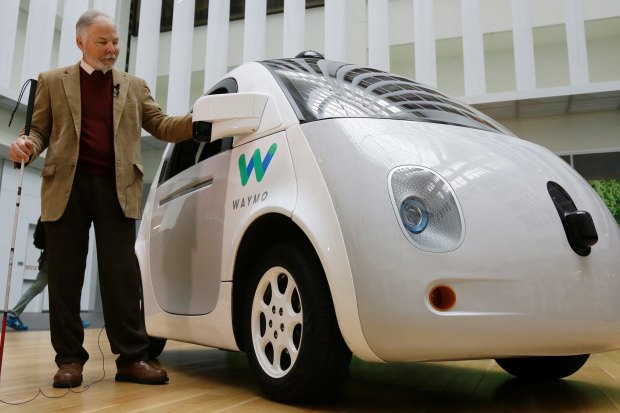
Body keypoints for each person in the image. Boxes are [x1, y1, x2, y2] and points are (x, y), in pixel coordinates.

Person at [8, 10, 193, 388]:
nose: (112, 49)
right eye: (102, 42)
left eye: (115, 42)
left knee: (121, 278)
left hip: (117, 188)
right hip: (67, 188)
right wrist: (26, 144)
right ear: (81, 42)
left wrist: (198, 120)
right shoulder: (52, 81)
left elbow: (162, 125)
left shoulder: (134, 86)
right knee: (64, 278)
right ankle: (70, 361)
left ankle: (132, 358)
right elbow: (38, 132)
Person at [7, 218, 91, 331]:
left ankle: (13, 315)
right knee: (68, 290)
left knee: (36, 288)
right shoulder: (62, 217)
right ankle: (73, 321)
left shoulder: (45, 216)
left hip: (48, 258)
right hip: (59, 260)